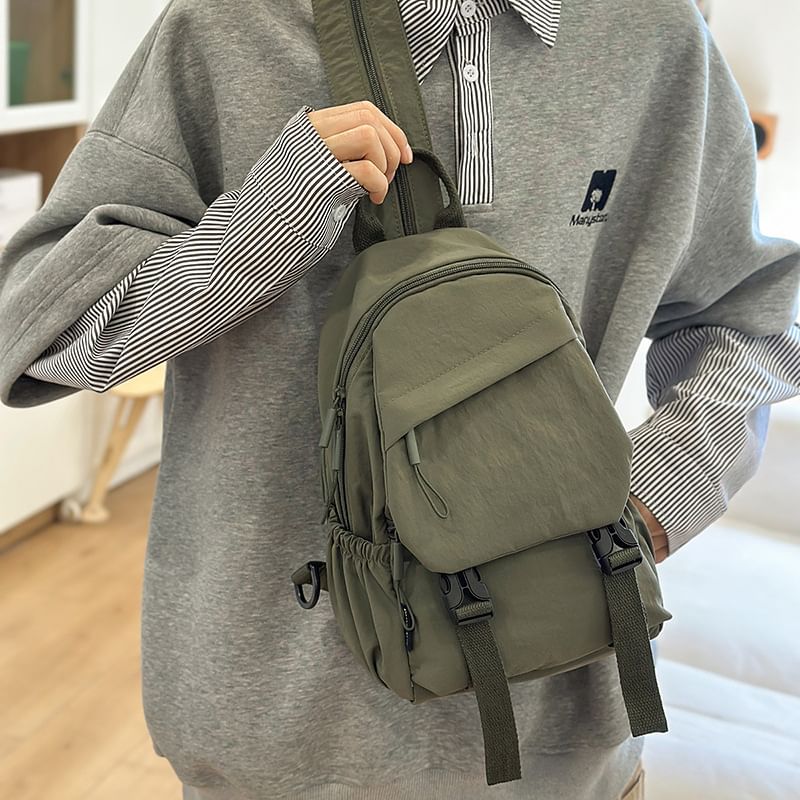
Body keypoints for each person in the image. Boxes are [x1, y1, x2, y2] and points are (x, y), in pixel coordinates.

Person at [1, 0, 799, 798]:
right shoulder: (228, 25)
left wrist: (658, 493)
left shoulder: (655, 36)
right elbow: (37, 330)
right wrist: (267, 223)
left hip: (565, 736)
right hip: (275, 742)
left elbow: (753, 314)